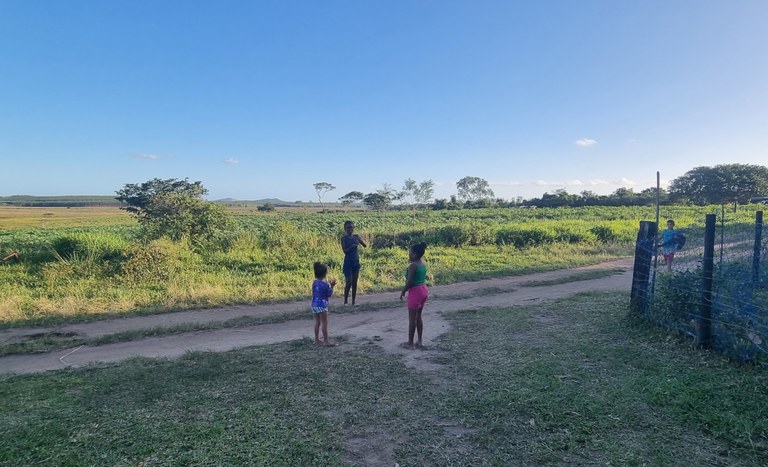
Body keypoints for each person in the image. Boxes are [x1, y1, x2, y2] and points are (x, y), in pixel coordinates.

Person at [399, 242, 428, 349]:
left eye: (410, 253)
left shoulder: (413, 265)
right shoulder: (422, 263)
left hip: (415, 292)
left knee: (412, 319)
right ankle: (419, 340)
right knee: (419, 317)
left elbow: (410, 282)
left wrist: (403, 291)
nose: (409, 254)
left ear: (414, 254)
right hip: (423, 289)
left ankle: (410, 343)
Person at [340, 220, 367, 305]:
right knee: (349, 282)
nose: (350, 229)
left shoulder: (356, 237)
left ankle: (353, 302)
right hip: (348, 262)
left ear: (353, 228)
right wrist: (352, 246)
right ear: (345, 229)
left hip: (356, 261)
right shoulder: (344, 238)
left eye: (351, 227)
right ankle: (345, 302)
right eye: (348, 228)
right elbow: (345, 251)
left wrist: (359, 240)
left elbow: (365, 245)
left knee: (355, 282)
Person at [311, 262, 338, 346]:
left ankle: (317, 339)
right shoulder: (325, 284)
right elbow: (329, 294)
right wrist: (332, 286)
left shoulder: (314, 282)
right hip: (322, 306)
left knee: (317, 322)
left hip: (314, 305)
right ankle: (326, 341)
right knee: (324, 323)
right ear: (324, 274)